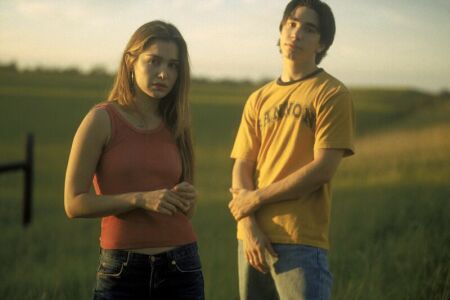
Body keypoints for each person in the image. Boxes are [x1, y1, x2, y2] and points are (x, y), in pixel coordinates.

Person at [64, 20, 204, 299]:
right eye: (154, 61)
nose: (164, 73)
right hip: (122, 270)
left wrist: (186, 197)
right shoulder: (102, 120)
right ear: (131, 61)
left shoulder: (178, 125)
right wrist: (140, 199)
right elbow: (73, 203)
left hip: (182, 266)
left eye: (173, 66)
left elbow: (186, 213)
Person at [228, 0, 355, 299]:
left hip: (300, 240)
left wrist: (255, 198)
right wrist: (248, 226)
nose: (296, 33)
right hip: (251, 240)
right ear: (282, 29)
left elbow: (322, 169)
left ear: (321, 42)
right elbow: (241, 166)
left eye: (308, 29)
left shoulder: (332, 93)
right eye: (292, 24)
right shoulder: (258, 98)